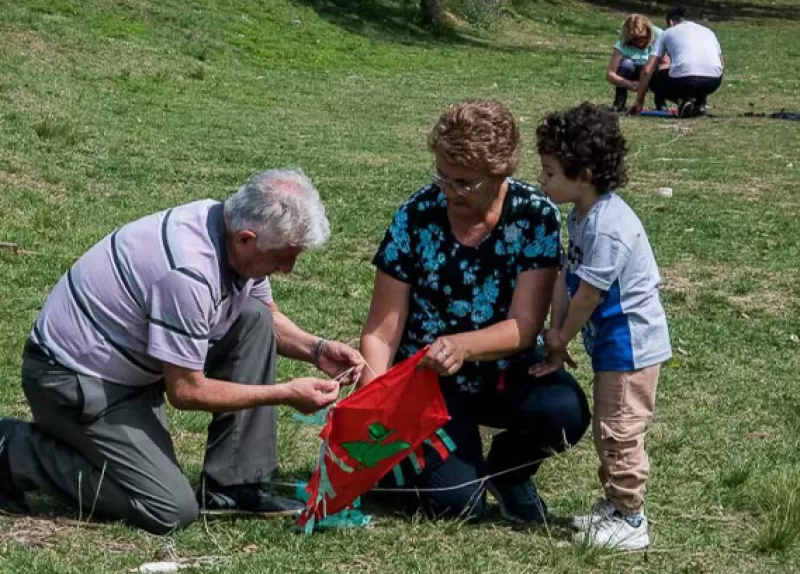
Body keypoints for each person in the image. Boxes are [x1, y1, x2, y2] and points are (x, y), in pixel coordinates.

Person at [0, 169, 365, 534]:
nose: (288, 268)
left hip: (131, 366)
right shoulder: (189, 271)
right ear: (245, 240)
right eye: (283, 257)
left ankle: (234, 486)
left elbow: (266, 317)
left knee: (252, 320)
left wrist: (316, 350)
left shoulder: (228, 227)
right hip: (74, 383)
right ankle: (15, 450)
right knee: (168, 508)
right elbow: (187, 391)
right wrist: (285, 394)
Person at [359, 100, 590, 524]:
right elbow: (381, 331)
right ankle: (394, 467)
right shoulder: (417, 215)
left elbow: (524, 327)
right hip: (430, 380)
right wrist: (370, 410)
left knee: (566, 411)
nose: (448, 191)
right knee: (457, 506)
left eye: (464, 183)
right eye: (442, 176)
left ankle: (509, 472)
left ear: (500, 175)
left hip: (503, 368)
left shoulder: (534, 215)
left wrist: (460, 346)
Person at [533, 103, 672, 550]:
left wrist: (560, 337)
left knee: (619, 429)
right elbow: (565, 280)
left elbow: (588, 296)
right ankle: (615, 506)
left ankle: (631, 520)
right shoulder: (582, 216)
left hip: (629, 348)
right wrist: (556, 336)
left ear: (586, 173)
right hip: (612, 346)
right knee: (609, 427)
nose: (543, 180)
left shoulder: (609, 228)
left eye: (551, 172)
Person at [631, 5, 725, 118]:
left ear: (671, 22)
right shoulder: (708, 31)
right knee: (697, 76)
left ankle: (681, 101)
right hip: (713, 81)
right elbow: (722, 64)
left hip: (686, 80)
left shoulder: (667, 33)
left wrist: (639, 101)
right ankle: (699, 104)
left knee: (654, 76)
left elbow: (647, 70)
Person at [605, 14, 667, 112]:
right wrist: (629, 84)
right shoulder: (622, 43)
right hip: (632, 72)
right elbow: (610, 74)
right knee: (626, 64)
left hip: (652, 71)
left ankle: (661, 103)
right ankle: (619, 103)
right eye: (634, 39)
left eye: (642, 37)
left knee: (661, 68)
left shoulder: (659, 35)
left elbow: (667, 62)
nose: (639, 43)